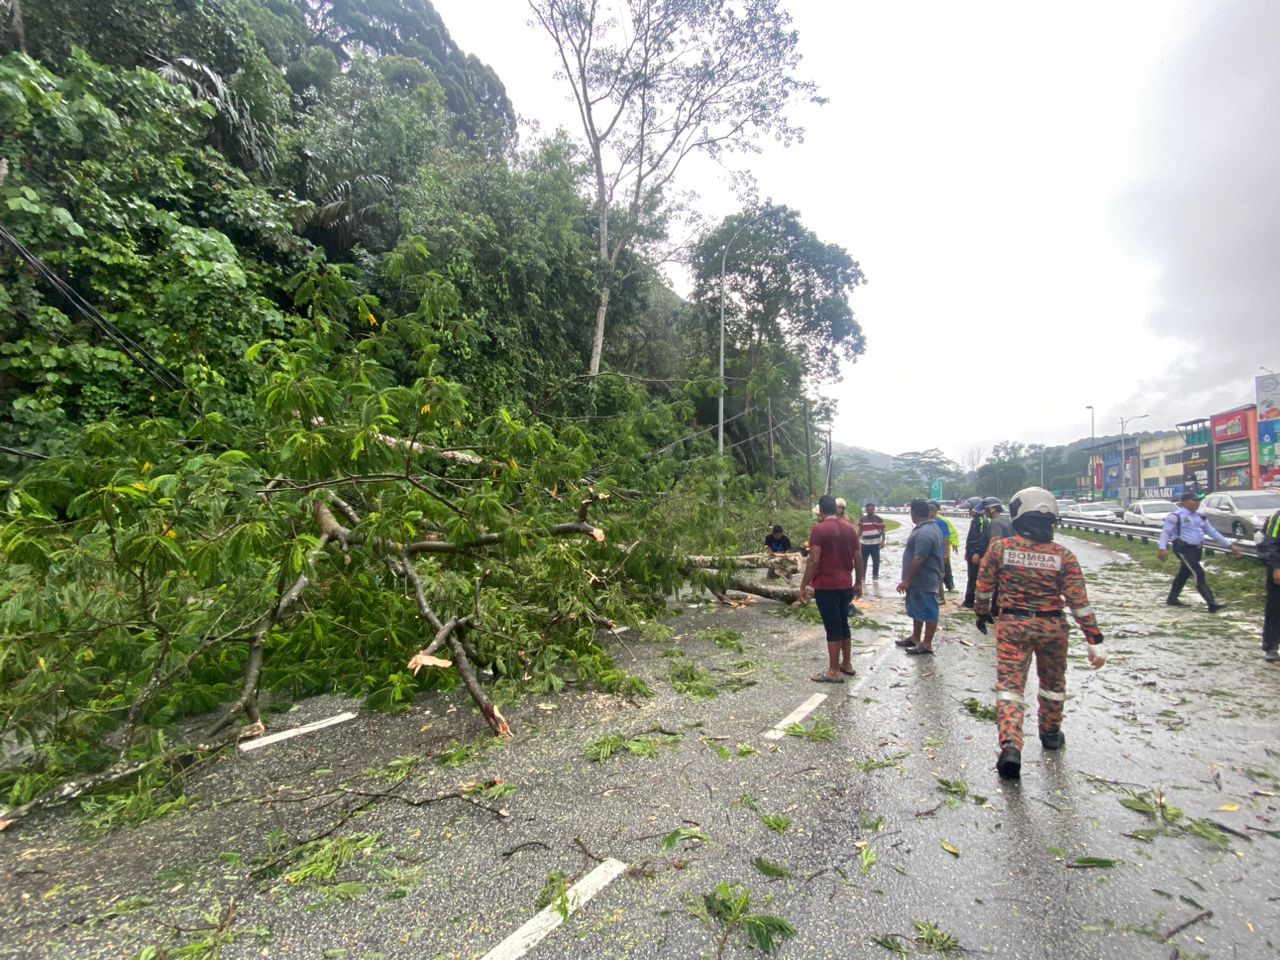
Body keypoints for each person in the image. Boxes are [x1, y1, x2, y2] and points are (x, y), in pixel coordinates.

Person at [974, 487, 1105, 780]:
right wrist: (1093, 638)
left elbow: (984, 588)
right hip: (1053, 627)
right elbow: (1079, 602)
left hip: (1013, 625)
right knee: (1053, 683)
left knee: (1010, 686)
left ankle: (1011, 745)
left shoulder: (1001, 550)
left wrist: (981, 613)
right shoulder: (1064, 556)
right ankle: (1051, 733)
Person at [798, 494, 864, 683]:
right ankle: (847, 664)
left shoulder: (819, 530)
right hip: (845, 585)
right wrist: (858, 582)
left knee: (833, 626)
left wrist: (803, 585)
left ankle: (833, 671)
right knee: (843, 622)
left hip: (827, 586)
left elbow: (814, 560)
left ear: (820, 510)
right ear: (836, 509)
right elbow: (858, 557)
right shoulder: (850, 529)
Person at [1157, 491, 1242, 612]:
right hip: (1183, 549)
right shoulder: (1176, 516)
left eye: (1199, 500)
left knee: (1184, 573)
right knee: (1199, 573)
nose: (1197, 503)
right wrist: (1162, 548)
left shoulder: (1200, 516)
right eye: (1194, 500)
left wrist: (1229, 545)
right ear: (1184, 502)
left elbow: (1212, 532)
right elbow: (1165, 532)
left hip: (1196, 549)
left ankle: (1172, 598)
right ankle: (1211, 603)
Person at [895, 499, 945, 655]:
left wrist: (907, 580)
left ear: (913, 513)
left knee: (929, 610)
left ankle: (926, 643)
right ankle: (915, 637)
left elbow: (919, 559)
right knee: (917, 608)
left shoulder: (925, 532)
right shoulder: (928, 528)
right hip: (919, 579)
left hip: (924, 579)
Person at [928, 500, 959, 601]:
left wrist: (947, 553)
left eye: (930, 511)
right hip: (931, 553)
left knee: (941, 574)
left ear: (935, 511)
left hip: (940, 553)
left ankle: (942, 595)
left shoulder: (942, 522)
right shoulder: (927, 522)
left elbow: (947, 538)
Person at [1260, 508, 1280, 663]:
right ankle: (1271, 646)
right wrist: (1276, 567)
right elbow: (1271, 543)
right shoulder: (1277, 516)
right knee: (1275, 607)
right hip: (1278, 567)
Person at [963, 502, 990, 608]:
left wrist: (977, 553)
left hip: (977, 553)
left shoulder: (982, 521)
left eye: (970, 509)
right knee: (971, 577)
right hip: (971, 552)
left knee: (974, 577)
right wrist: (967, 552)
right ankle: (969, 600)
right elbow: (970, 538)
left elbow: (984, 538)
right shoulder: (974, 521)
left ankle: (971, 601)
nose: (969, 512)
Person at [858, 503, 886, 580]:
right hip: (864, 544)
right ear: (866, 509)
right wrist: (857, 540)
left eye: (871, 509)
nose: (870, 510)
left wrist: (883, 541)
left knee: (876, 561)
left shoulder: (879, 519)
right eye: (868, 509)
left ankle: (875, 576)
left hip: (875, 544)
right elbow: (860, 530)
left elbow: (883, 530)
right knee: (863, 561)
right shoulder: (862, 519)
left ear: (874, 509)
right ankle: (862, 576)